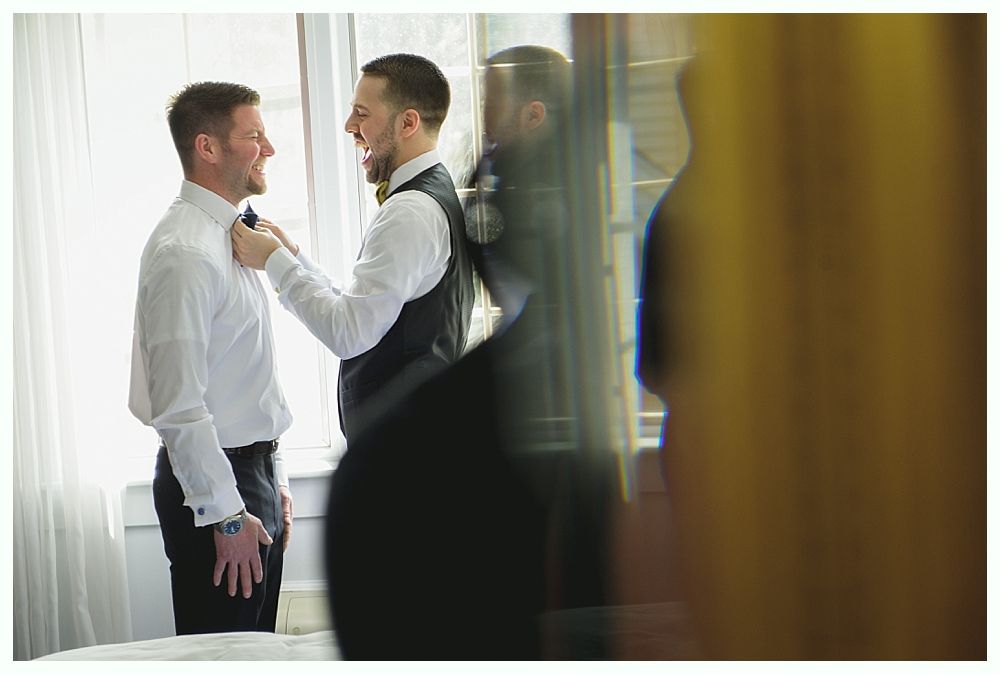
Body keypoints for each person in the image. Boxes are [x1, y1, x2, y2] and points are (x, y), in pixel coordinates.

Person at [231, 53, 474, 446]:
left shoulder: (410, 211)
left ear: (407, 122)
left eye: (362, 114)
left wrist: (273, 262)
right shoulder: (432, 193)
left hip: (404, 452)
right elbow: (366, 307)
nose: (349, 126)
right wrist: (294, 256)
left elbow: (350, 332)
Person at [128, 81, 293, 635]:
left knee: (257, 652)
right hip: (217, 490)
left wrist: (277, 476)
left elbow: (248, 375)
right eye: (254, 136)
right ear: (208, 147)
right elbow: (179, 406)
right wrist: (226, 516)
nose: (269, 148)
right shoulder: (186, 253)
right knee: (223, 659)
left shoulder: (237, 236)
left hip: (252, 475)